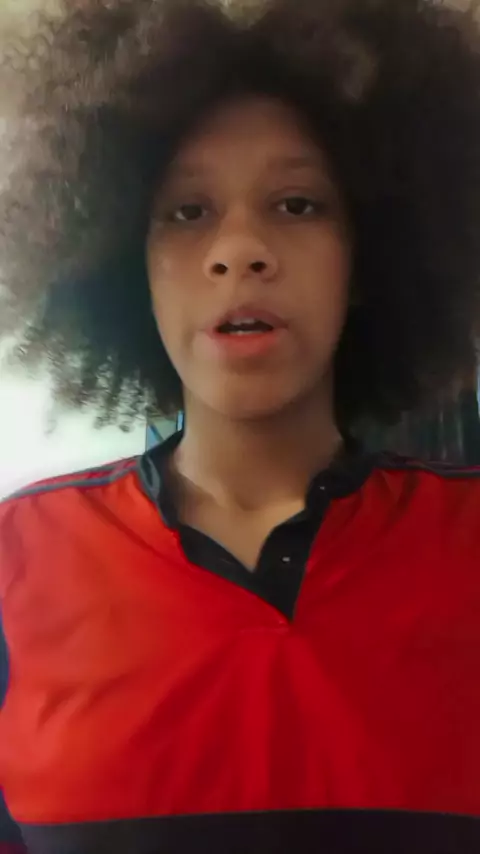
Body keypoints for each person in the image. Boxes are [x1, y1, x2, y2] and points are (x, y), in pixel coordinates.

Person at [0, 0, 480, 851]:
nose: (240, 250)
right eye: (188, 212)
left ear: (367, 259)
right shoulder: (17, 558)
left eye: (297, 204)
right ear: (127, 266)